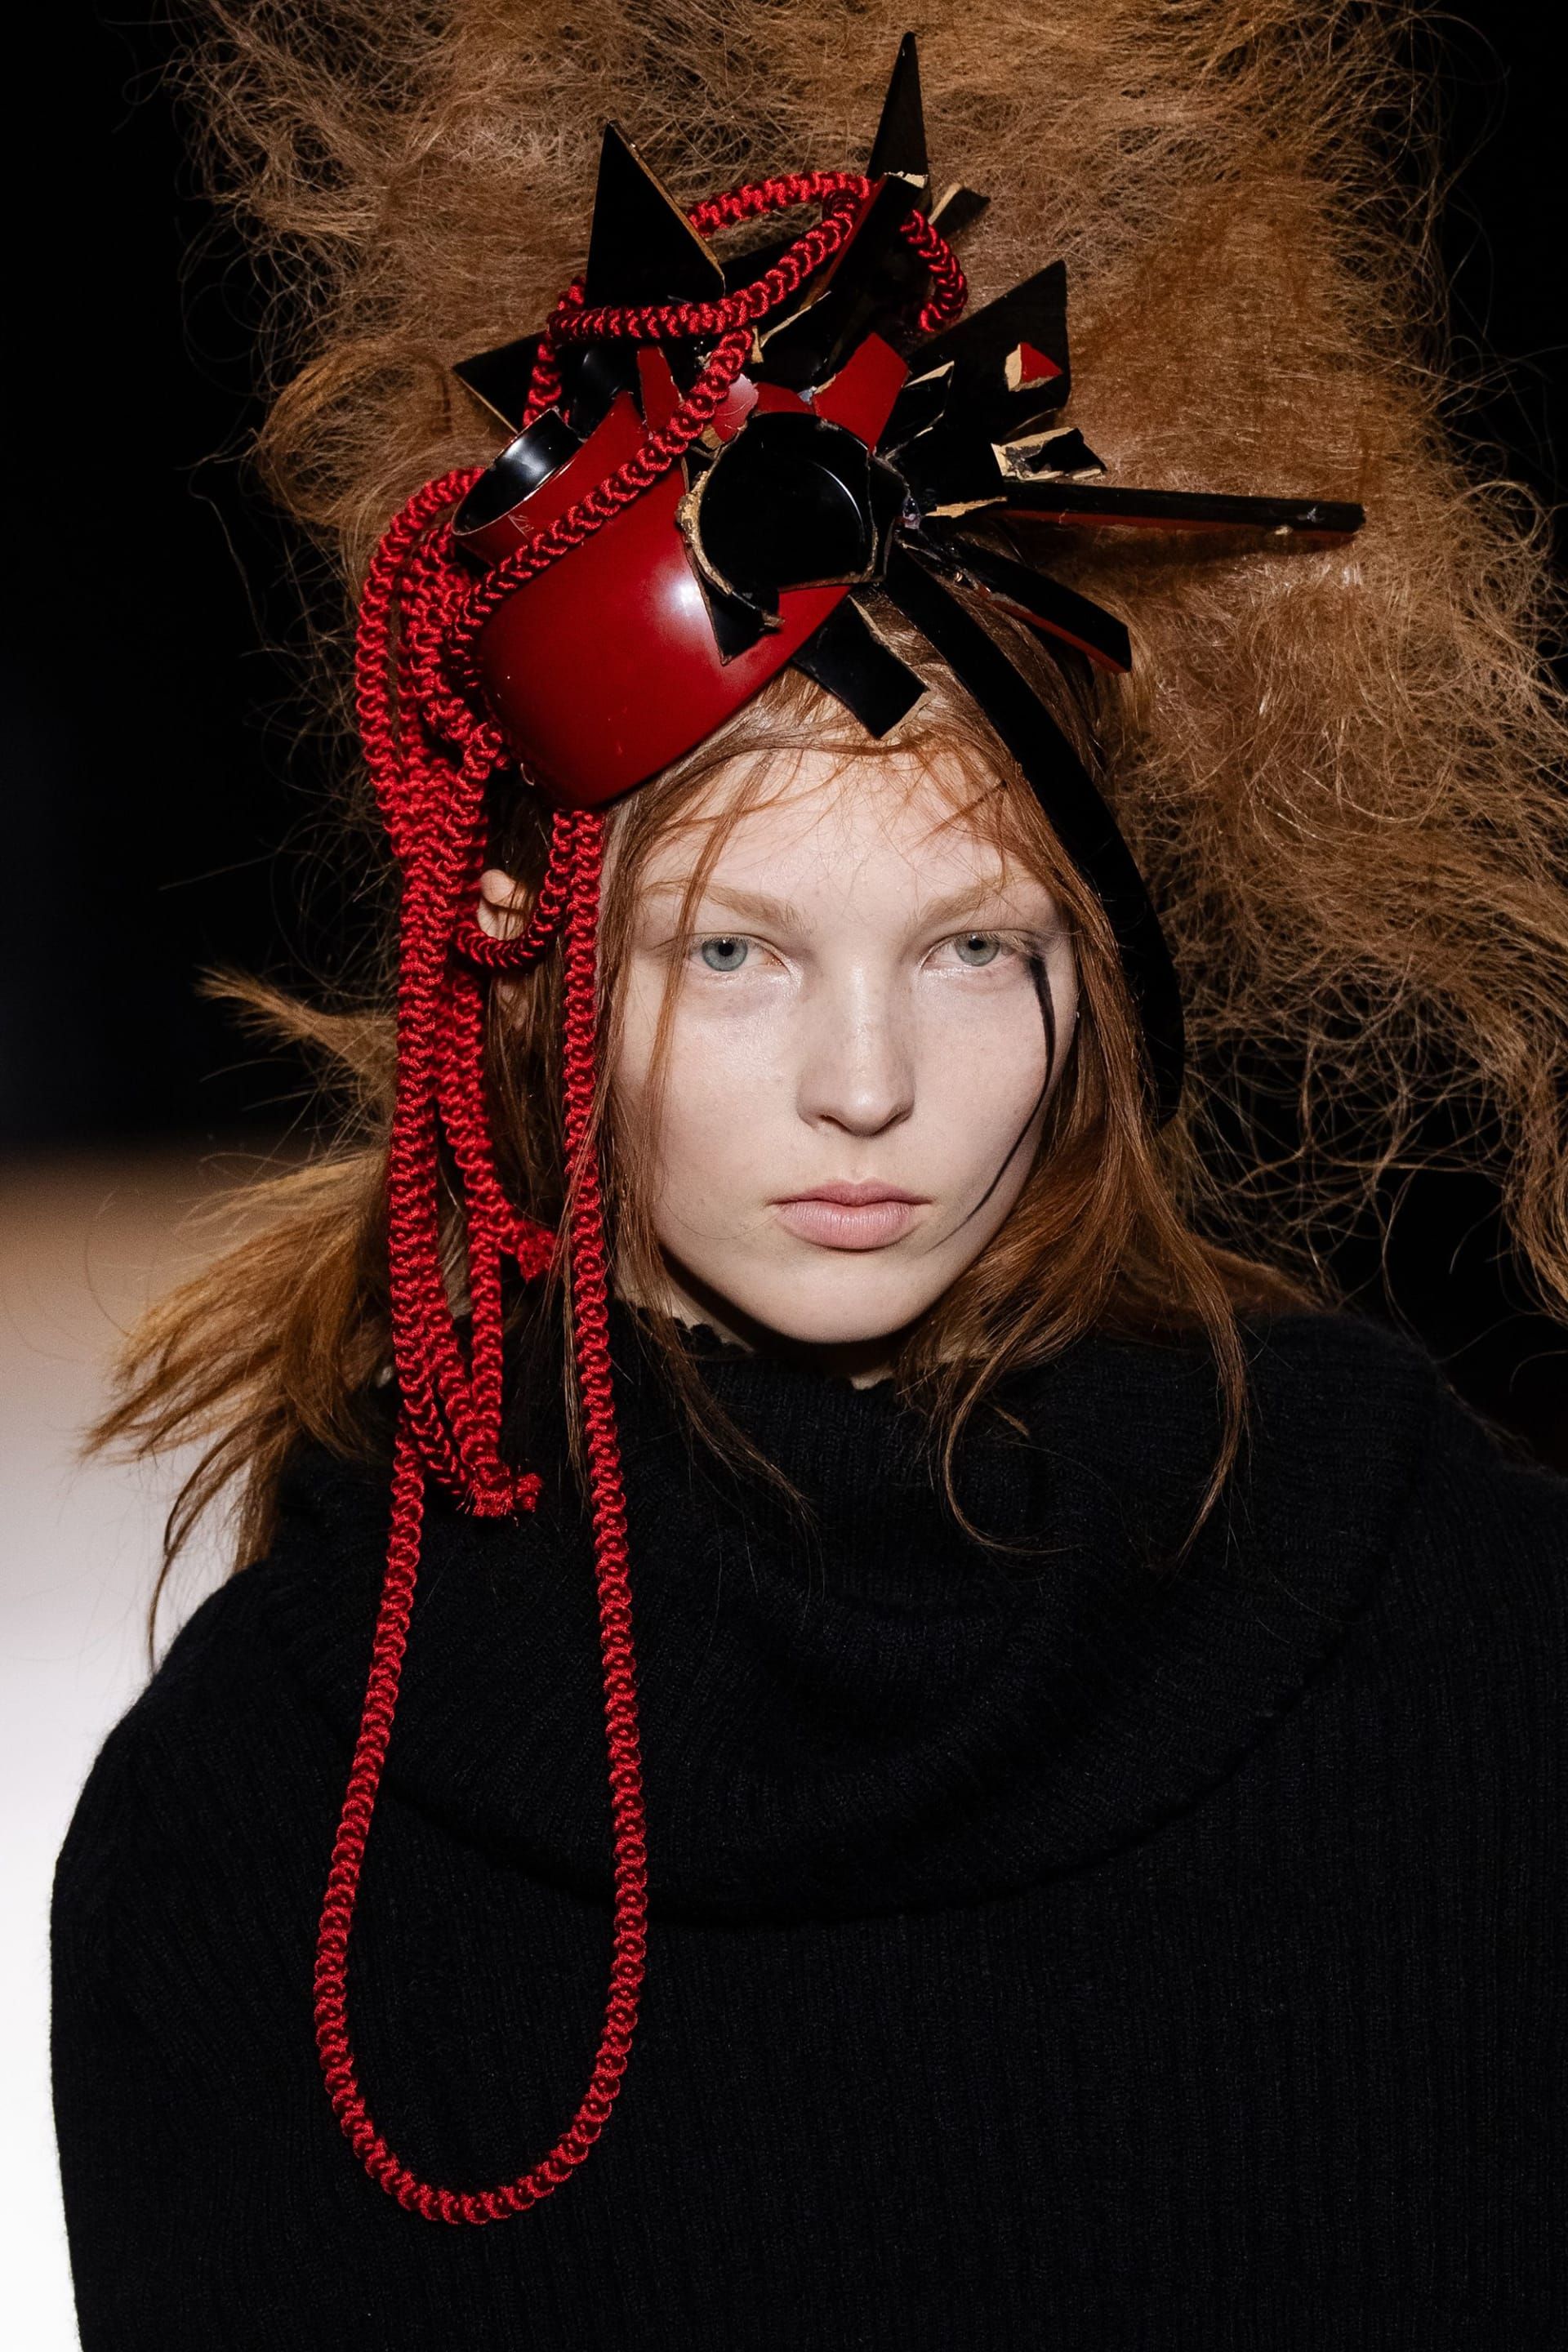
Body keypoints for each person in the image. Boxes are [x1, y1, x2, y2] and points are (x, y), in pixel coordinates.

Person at [50, 2, 1568, 2342]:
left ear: (1100, 970)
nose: (871, 1085)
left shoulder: (1482, 1651)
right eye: (736, 950)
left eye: (975, 945)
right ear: (523, 942)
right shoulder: (271, 1827)